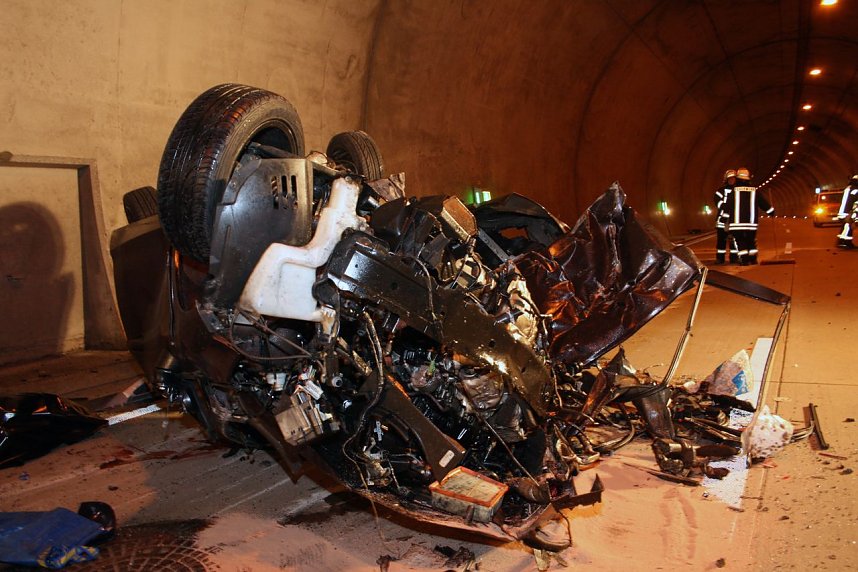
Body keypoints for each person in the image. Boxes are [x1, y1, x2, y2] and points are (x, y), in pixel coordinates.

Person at [722, 167, 774, 264]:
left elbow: (727, 206)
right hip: (751, 224)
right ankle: (753, 259)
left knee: (740, 242)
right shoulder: (754, 191)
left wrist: (723, 219)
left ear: (737, 178)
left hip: (736, 225)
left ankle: (744, 260)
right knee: (751, 241)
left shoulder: (733, 191)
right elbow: (763, 203)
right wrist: (771, 211)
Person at [714, 169, 737, 264]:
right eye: (730, 178)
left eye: (733, 178)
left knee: (734, 241)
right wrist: (727, 206)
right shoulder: (720, 191)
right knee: (721, 241)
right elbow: (718, 203)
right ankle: (720, 258)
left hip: (734, 220)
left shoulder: (738, 190)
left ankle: (734, 258)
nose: (732, 180)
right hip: (722, 221)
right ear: (726, 180)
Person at [836, 174, 858, 249]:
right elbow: (854, 200)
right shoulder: (855, 190)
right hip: (848, 212)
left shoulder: (848, 188)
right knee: (847, 227)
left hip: (843, 211)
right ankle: (843, 242)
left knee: (847, 227)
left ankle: (845, 242)